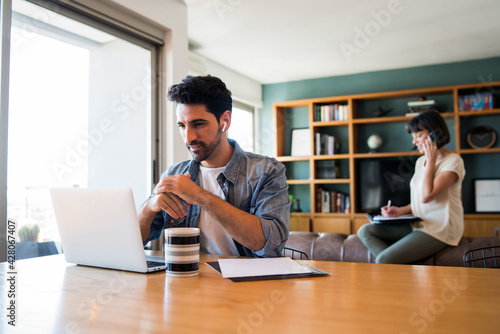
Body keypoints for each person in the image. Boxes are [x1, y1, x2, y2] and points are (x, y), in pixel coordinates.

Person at [138, 75, 290, 257]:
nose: (188, 137)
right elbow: (134, 241)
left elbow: (270, 245)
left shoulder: (267, 171)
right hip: (185, 279)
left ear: (225, 120)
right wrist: (150, 206)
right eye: (182, 126)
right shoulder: (174, 173)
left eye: (198, 124)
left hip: (247, 284)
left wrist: (199, 196)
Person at [357, 111, 465, 264]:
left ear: (435, 134)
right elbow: (418, 201)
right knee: (365, 231)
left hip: (440, 229)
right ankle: (403, 268)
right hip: (419, 224)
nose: (414, 142)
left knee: (384, 260)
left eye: (419, 135)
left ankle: (392, 264)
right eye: (413, 136)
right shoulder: (421, 162)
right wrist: (400, 210)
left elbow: (427, 196)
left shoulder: (453, 161)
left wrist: (431, 160)